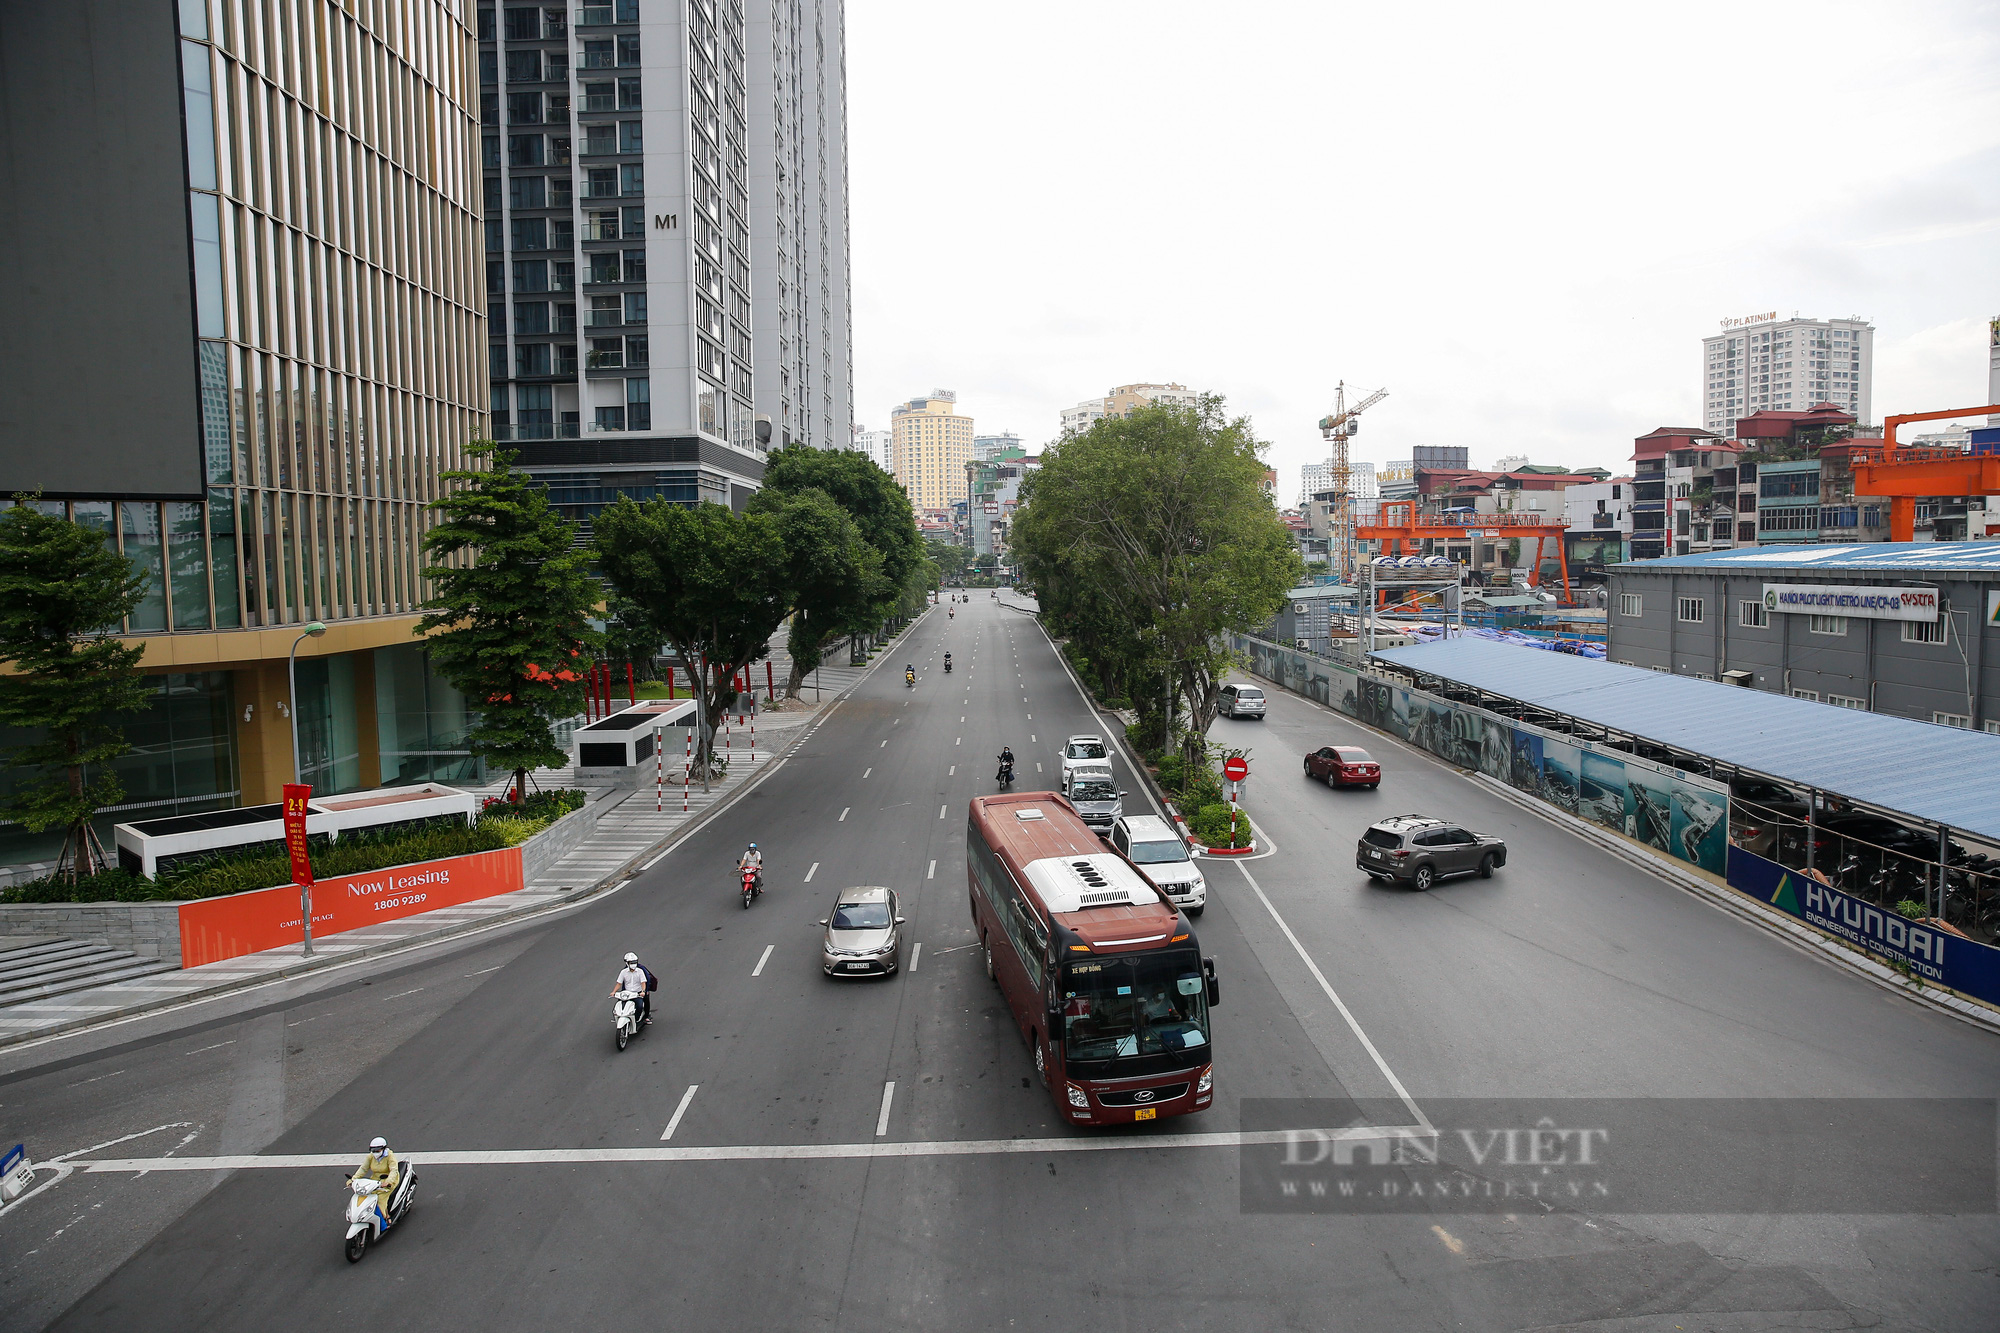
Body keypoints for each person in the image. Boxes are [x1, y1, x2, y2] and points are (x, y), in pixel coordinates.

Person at [351, 1137, 402, 1225]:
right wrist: (353, 1179)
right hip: (375, 1181)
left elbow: (394, 1170)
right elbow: (363, 1169)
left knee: (381, 1200)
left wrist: (388, 1182)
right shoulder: (370, 1157)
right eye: (373, 1151)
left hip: (388, 1182)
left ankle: (386, 1218)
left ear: (383, 1149)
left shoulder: (389, 1156)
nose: (375, 1153)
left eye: (377, 1151)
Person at [613, 951, 652, 1024]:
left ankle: (638, 1019)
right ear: (627, 963)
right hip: (627, 993)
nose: (633, 964)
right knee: (619, 1005)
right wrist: (614, 992)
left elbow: (643, 982)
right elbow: (619, 983)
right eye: (631, 962)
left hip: (637, 993)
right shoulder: (623, 972)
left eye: (634, 962)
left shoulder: (640, 971)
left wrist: (643, 991)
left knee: (640, 1005)